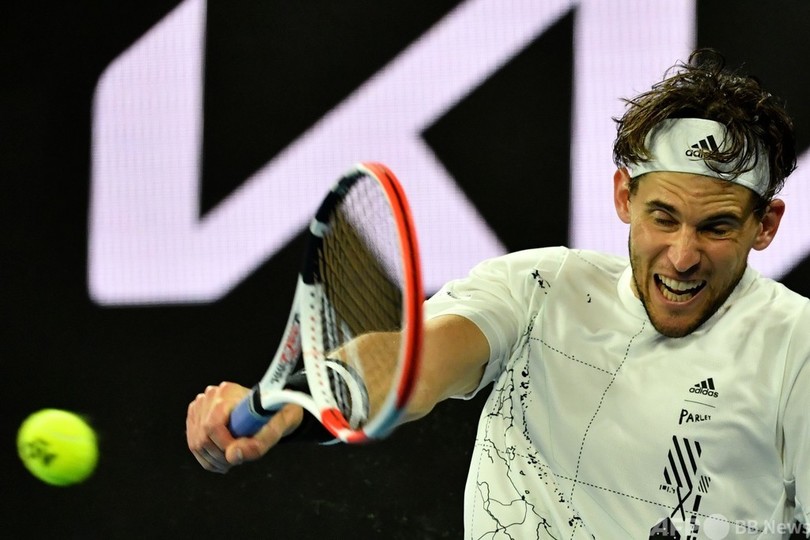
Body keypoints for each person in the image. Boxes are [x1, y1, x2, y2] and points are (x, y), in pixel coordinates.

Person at [186, 49, 809, 538]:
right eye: (663, 218)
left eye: (716, 228)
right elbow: (415, 361)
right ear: (624, 196)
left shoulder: (797, 346)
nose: (682, 255)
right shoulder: (539, 288)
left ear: (767, 226)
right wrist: (304, 401)